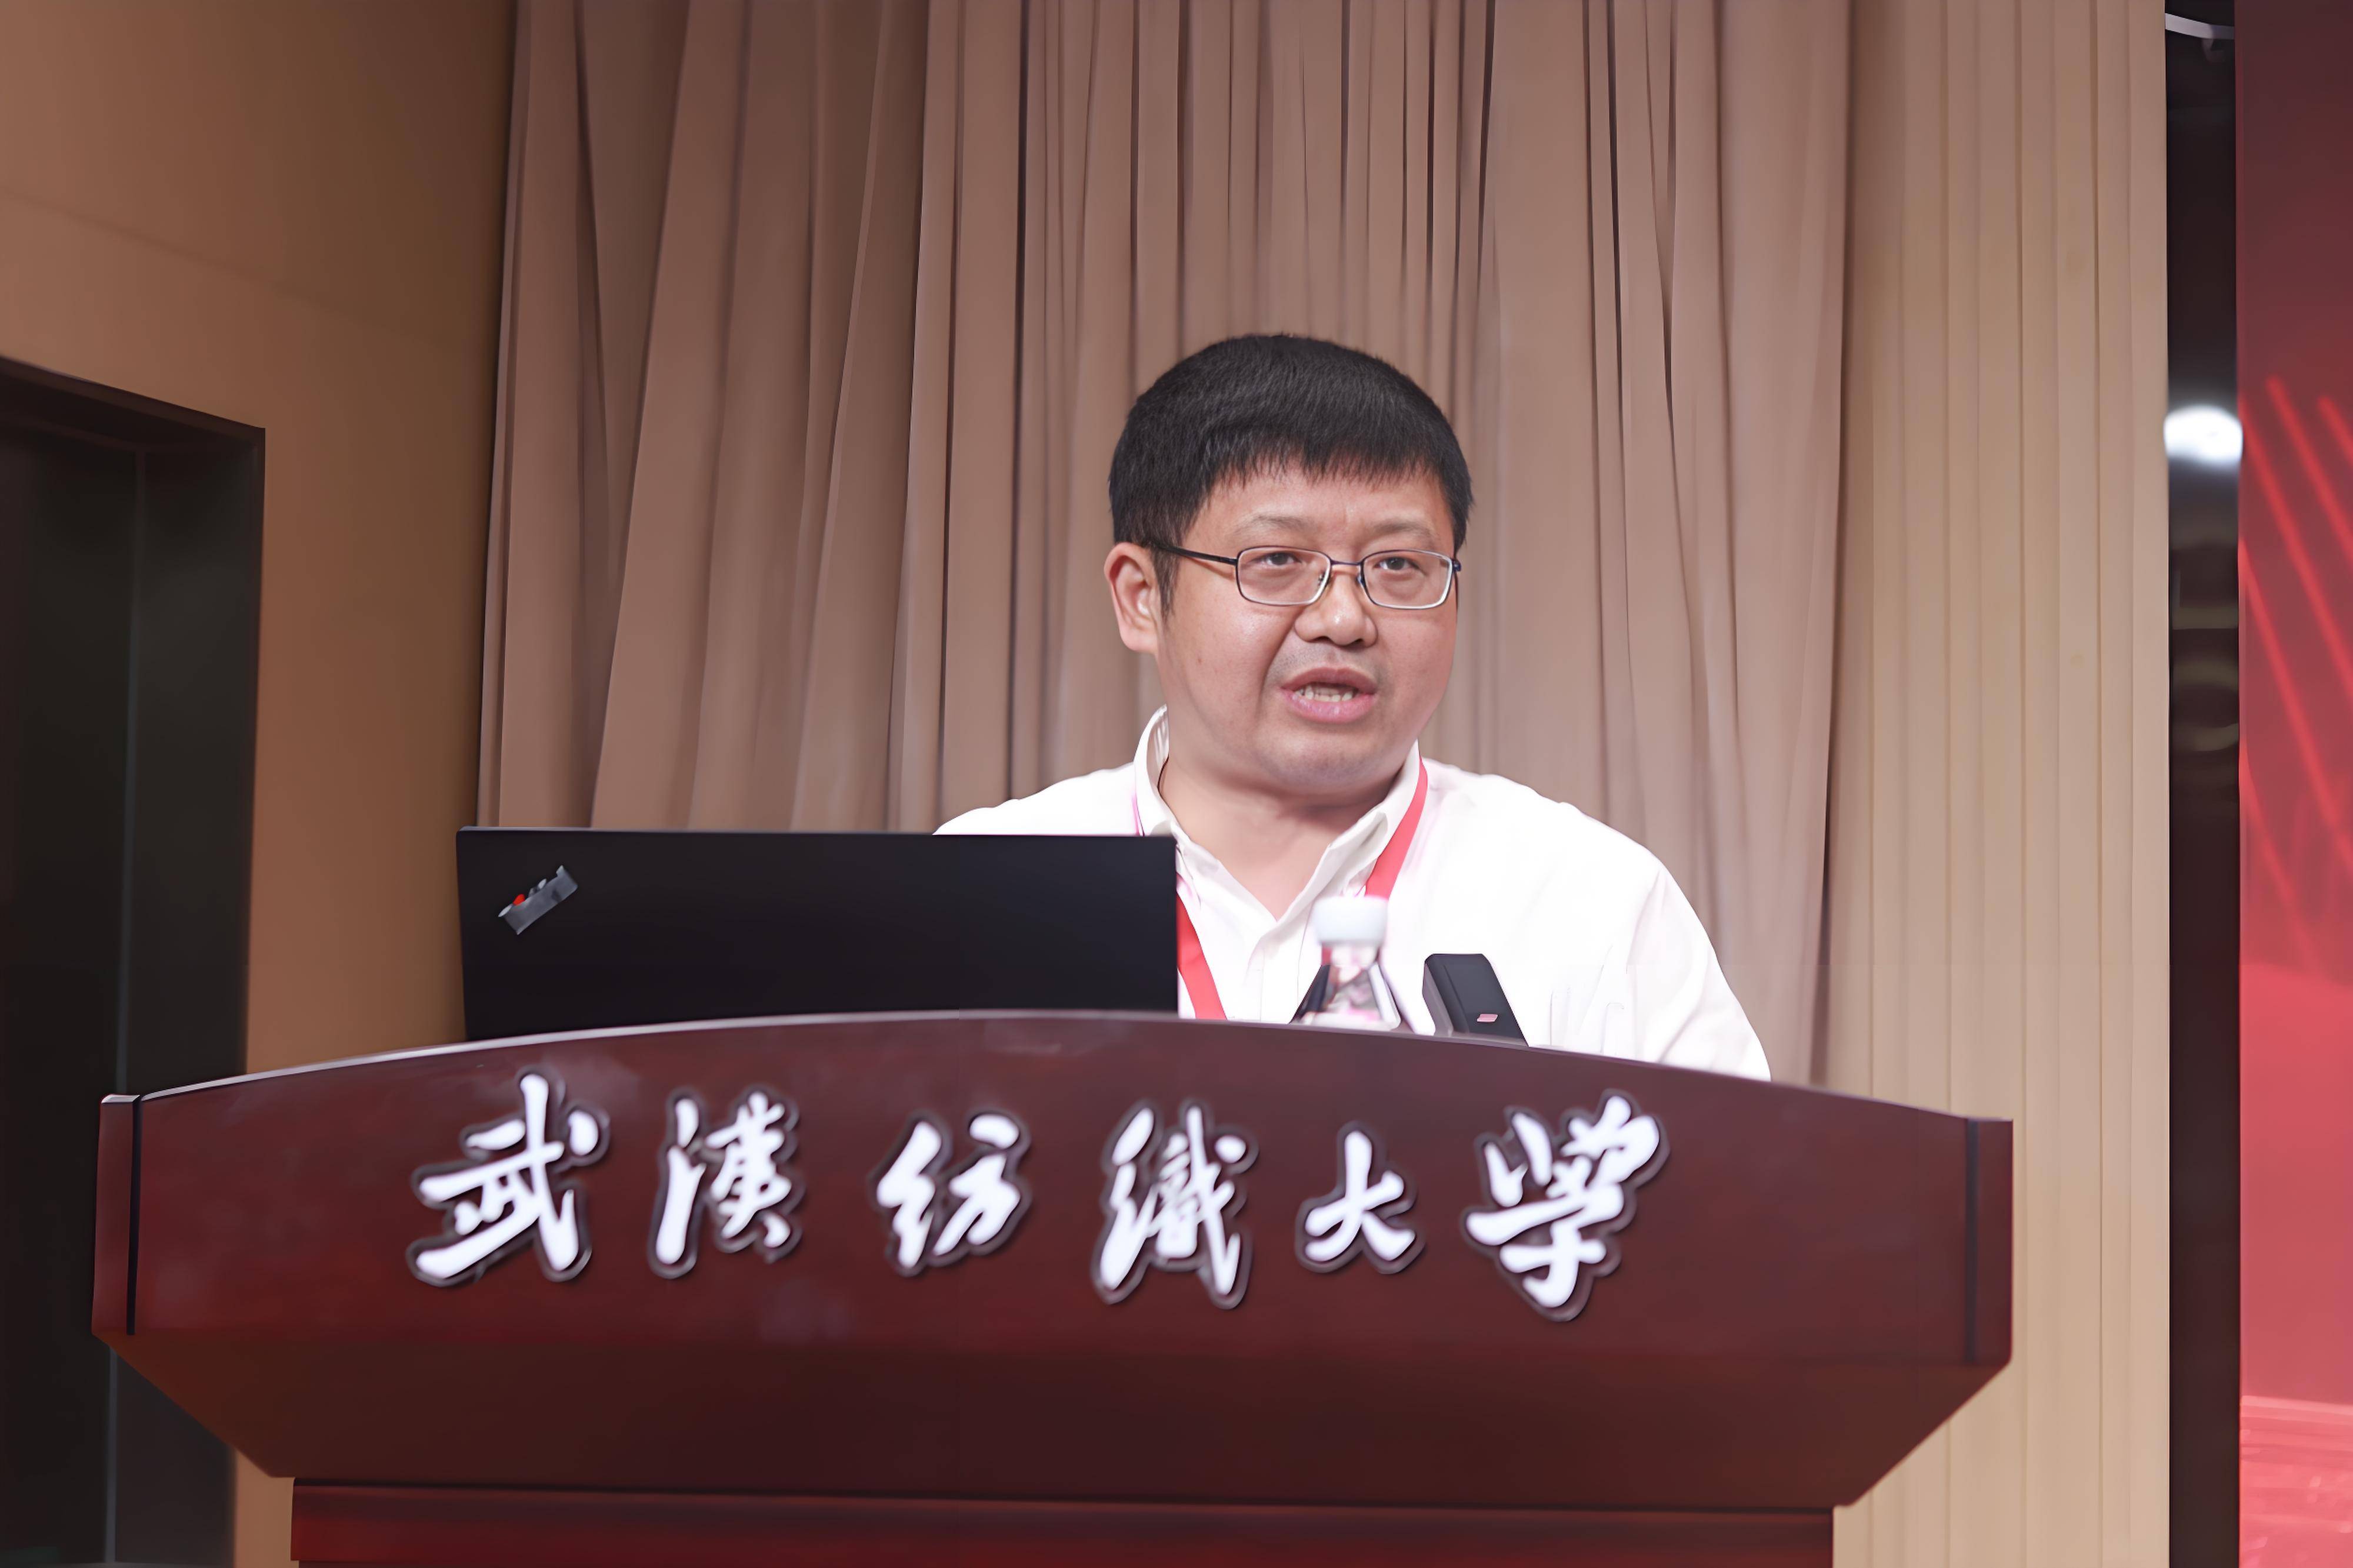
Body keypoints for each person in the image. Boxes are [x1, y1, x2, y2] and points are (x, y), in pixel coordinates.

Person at [939, 335, 1767, 1079]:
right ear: (1141, 597)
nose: (1343, 619)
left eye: (1399, 566)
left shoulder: (1587, 898)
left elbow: (1731, 1191)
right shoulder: (985, 884)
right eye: (1276, 561)